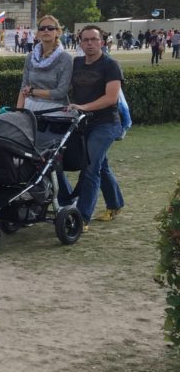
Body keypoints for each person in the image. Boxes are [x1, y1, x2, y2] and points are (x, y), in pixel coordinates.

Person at [68, 25, 125, 228]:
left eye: (94, 39)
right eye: (85, 40)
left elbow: (111, 98)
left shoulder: (111, 65)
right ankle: (115, 204)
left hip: (106, 124)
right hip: (83, 124)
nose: (90, 43)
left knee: (90, 167)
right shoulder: (76, 62)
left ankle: (82, 217)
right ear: (80, 42)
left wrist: (83, 107)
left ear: (102, 41)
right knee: (101, 165)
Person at [16, 14, 74, 203]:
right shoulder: (30, 57)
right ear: (37, 32)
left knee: (47, 158)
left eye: (51, 28)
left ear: (58, 32)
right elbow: (23, 87)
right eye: (43, 28)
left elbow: (61, 91)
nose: (46, 31)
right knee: (31, 157)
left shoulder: (65, 58)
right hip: (32, 111)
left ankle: (63, 197)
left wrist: (34, 91)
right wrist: (18, 114)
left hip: (55, 113)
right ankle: (39, 193)